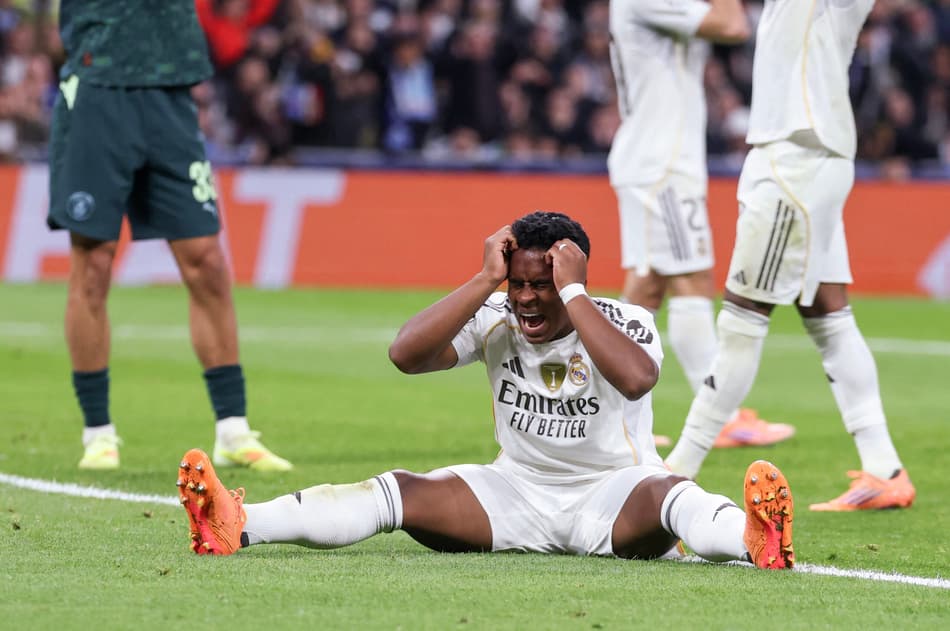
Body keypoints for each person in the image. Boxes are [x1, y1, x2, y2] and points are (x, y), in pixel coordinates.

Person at [174, 211, 794, 570]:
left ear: (573, 276)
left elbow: (637, 378)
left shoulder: (621, 319)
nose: (525, 298)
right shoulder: (495, 313)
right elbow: (405, 355)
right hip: (514, 490)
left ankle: (753, 539)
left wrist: (574, 296)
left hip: (614, 492)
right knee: (399, 491)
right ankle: (237, 523)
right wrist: (482, 280)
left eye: (541, 284)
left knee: (673, 493)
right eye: (516, 283)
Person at [664, 0, 916, 511]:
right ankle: (884, 469)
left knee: (742, 317)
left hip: (796, 159)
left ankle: (673, 474)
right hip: (801, 156)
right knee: (828, 315)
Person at [46, 0, 291, 472]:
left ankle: (233, 431)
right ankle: (98, 433)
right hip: (98, 88)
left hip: (170, 89)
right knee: (93, 263)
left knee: (208, 262)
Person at [607, 0, 794, 448]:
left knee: (646, 288)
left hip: (658, 161)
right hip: (663, 166)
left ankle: (605, 416)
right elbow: (732, 22)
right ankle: (723, 416)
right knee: (691, 279)